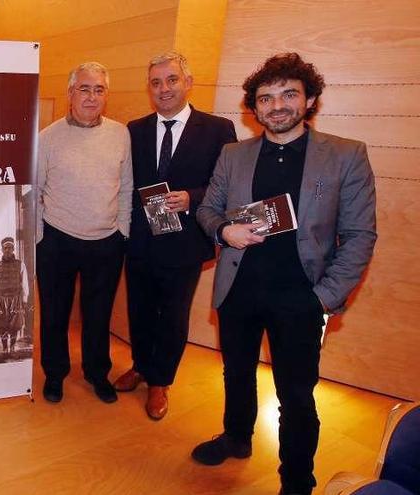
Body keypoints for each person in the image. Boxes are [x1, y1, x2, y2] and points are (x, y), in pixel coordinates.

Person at [194, 53, 377, 495]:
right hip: (238, 289)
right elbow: (207, 209)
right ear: (253, 108)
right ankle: (237, 436)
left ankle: (296, 481)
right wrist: (224, 229)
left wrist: (323, 298)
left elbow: (359, 236)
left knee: (296, 396)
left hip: (302, 297)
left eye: (288, 94)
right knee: (235, 372)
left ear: (309, 98)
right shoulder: (233, 154)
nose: (277, 105)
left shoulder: (346, 155)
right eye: (265, 98)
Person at [114, 52, 237, 420]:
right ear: (149, 88)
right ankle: (140, 365)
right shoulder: (133, 129)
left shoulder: (218, 129)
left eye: (171, 80)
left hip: (184, 243)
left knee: (173, 314)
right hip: (140, 240)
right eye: (156, 82)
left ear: (188, 82)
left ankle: (160, 381)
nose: (164, 89)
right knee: (138, 308)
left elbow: (227, 184)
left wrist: (192, 197)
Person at [36, 61, 132, 404]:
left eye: (99, 89)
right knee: (54, 313)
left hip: (106, 243)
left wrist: (122, 230)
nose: (91, 96)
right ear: (70, 93)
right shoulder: (47, 138)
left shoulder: (121, 134)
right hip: (57, 240)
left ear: (106, 95)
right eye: (84, 88)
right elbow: (35, 191)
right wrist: (38, 238)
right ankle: (55, 373)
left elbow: (126, 187)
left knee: (98, 314)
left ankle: (96, 372)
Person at [0, 237, 29, 362]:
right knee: (2, 325)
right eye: (5, 248)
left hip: (16, 299)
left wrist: (24, 300)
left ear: (13, 249)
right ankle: (4, 349)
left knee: (15, 325)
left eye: (10, 248)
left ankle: (12, 349)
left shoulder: (20, 264)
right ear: (2, 249)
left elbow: (25, 284)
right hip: (1, 300)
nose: (8, 250)